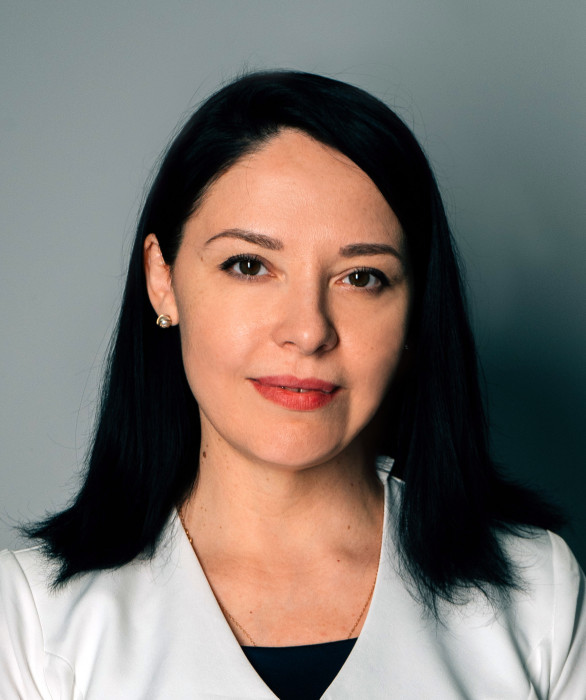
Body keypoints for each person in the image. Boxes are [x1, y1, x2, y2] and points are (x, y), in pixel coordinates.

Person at [1, 70, 584, 699]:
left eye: (362, 277)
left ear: (417, 309)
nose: (308, 331)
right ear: (162, 280)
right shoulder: (35, 616)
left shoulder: (535, 595)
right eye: (249, 265)